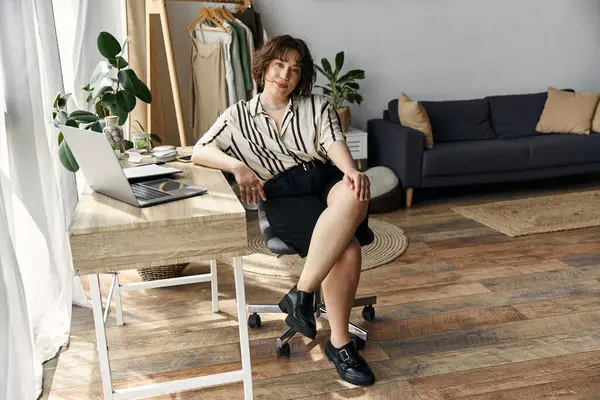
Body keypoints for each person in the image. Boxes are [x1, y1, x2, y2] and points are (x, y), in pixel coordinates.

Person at [192, 35, 375, 386]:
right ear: (264, 67)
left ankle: (300, 295)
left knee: (354, 192)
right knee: (347, 249)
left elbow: (331, 140)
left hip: (325, 180)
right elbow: (200, 150)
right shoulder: (237, 116)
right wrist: (237, 167)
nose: (285, 75)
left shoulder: (315, 105)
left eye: (294, 69)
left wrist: (350, 170)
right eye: (279, 65)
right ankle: (340, 344)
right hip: (282, 195)